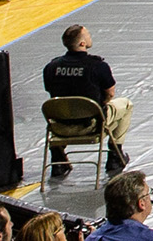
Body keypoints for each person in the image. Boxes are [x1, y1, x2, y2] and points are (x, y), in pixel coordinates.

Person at [38, 24, 132, 176]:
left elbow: (50, 91)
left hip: (59, 126)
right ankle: (115, 156)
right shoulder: (98, 66)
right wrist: (100, 104)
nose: (90, 37)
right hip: (90, 125)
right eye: (88, 35)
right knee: (126, 105)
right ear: (82, 43)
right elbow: (110, 93)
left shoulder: (51, 66)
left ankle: (58, 160)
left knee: (64, 107)